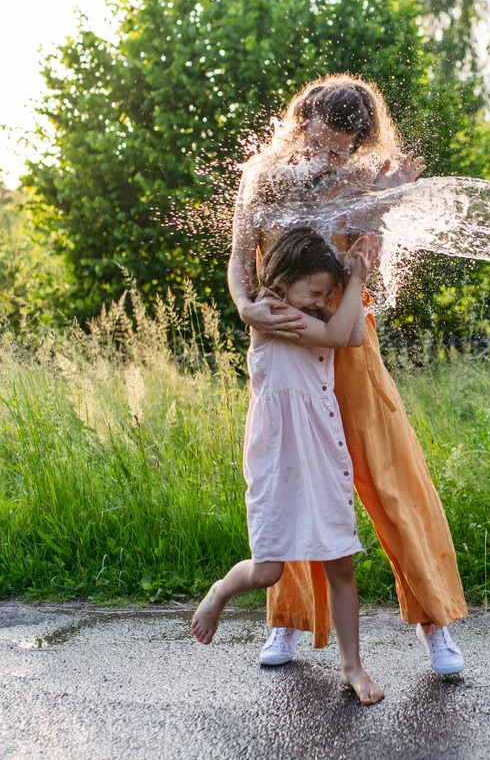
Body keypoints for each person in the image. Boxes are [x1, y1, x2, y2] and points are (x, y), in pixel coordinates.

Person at [227, 75, 469, 675]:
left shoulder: (367, 181)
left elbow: (367, 269)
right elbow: (239, 258)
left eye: (342, 148)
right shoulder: (262, 177)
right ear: (301, 122)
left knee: (391, 477)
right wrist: (245, 306)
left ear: (359, 143)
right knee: (290, 479)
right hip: (285, 344)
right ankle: (287, 619)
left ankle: (434, 622)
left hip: (348, 345)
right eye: (321, 142)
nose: (330, 155)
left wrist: (381, 207)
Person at [191, 227, 384, 703]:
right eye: (314, 292)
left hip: (321, 451)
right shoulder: (270, 313)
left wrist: (348, 283)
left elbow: (355, 333)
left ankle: (352, 667)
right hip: (279, 458)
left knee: (340, 563)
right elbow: (339, 334)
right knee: (268, 572)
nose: (320, 302)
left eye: (325, 294)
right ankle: (220, 592)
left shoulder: (311, 313)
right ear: (281, 283)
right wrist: (355, 283)